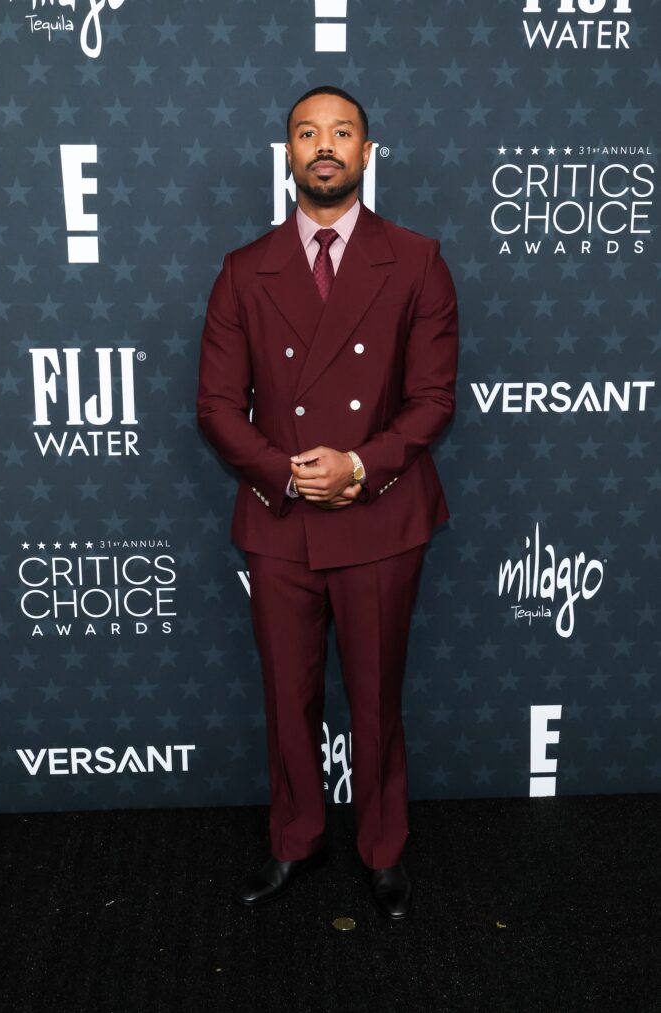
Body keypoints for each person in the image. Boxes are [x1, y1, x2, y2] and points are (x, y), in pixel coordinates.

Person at [196, 85, 458, 920]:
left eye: (342, 133)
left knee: (377, 697)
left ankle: (384, 848)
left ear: (367, 154)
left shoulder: (416, 260)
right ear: (288, 154)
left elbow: (433, 399)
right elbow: (215, 408)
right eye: (307, 133)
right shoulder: (244, 270)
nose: (324, 146)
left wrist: (358, 466)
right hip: (280, 519)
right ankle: (295, 840)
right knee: (287, 696)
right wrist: (286, 472)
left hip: (380, 515)